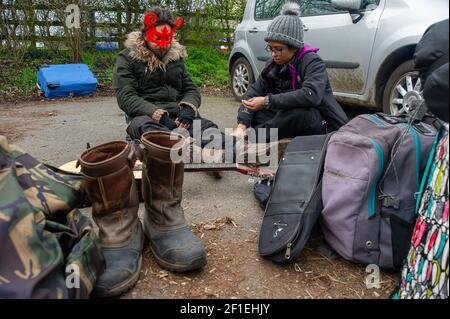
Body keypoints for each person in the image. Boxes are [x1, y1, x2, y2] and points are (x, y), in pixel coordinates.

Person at [234, 2, 348, 141]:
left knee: (299, 114)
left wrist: (266, 101)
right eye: (270, 48)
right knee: (257, 113)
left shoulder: (312, 62)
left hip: (321, 122)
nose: (274, 54)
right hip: (288, 117)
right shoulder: (272, 65)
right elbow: (252, 96)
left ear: (294, 47)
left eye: (278, 49)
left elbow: (311, 95)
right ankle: (246, 134)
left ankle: (251, 138)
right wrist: (242, 124)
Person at [114, 7, 221, 148]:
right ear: (146, 34)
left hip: (178, 117)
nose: (162, 45)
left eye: (167, 38)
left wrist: (188, 108)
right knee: (149, 130)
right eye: (157, 38)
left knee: (209, 129)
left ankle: (238, 148)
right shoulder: (127, 58)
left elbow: (190, 88)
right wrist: (159, 116)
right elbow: (126, 96)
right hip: (147, 118)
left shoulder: (175, 58)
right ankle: (189, 149)